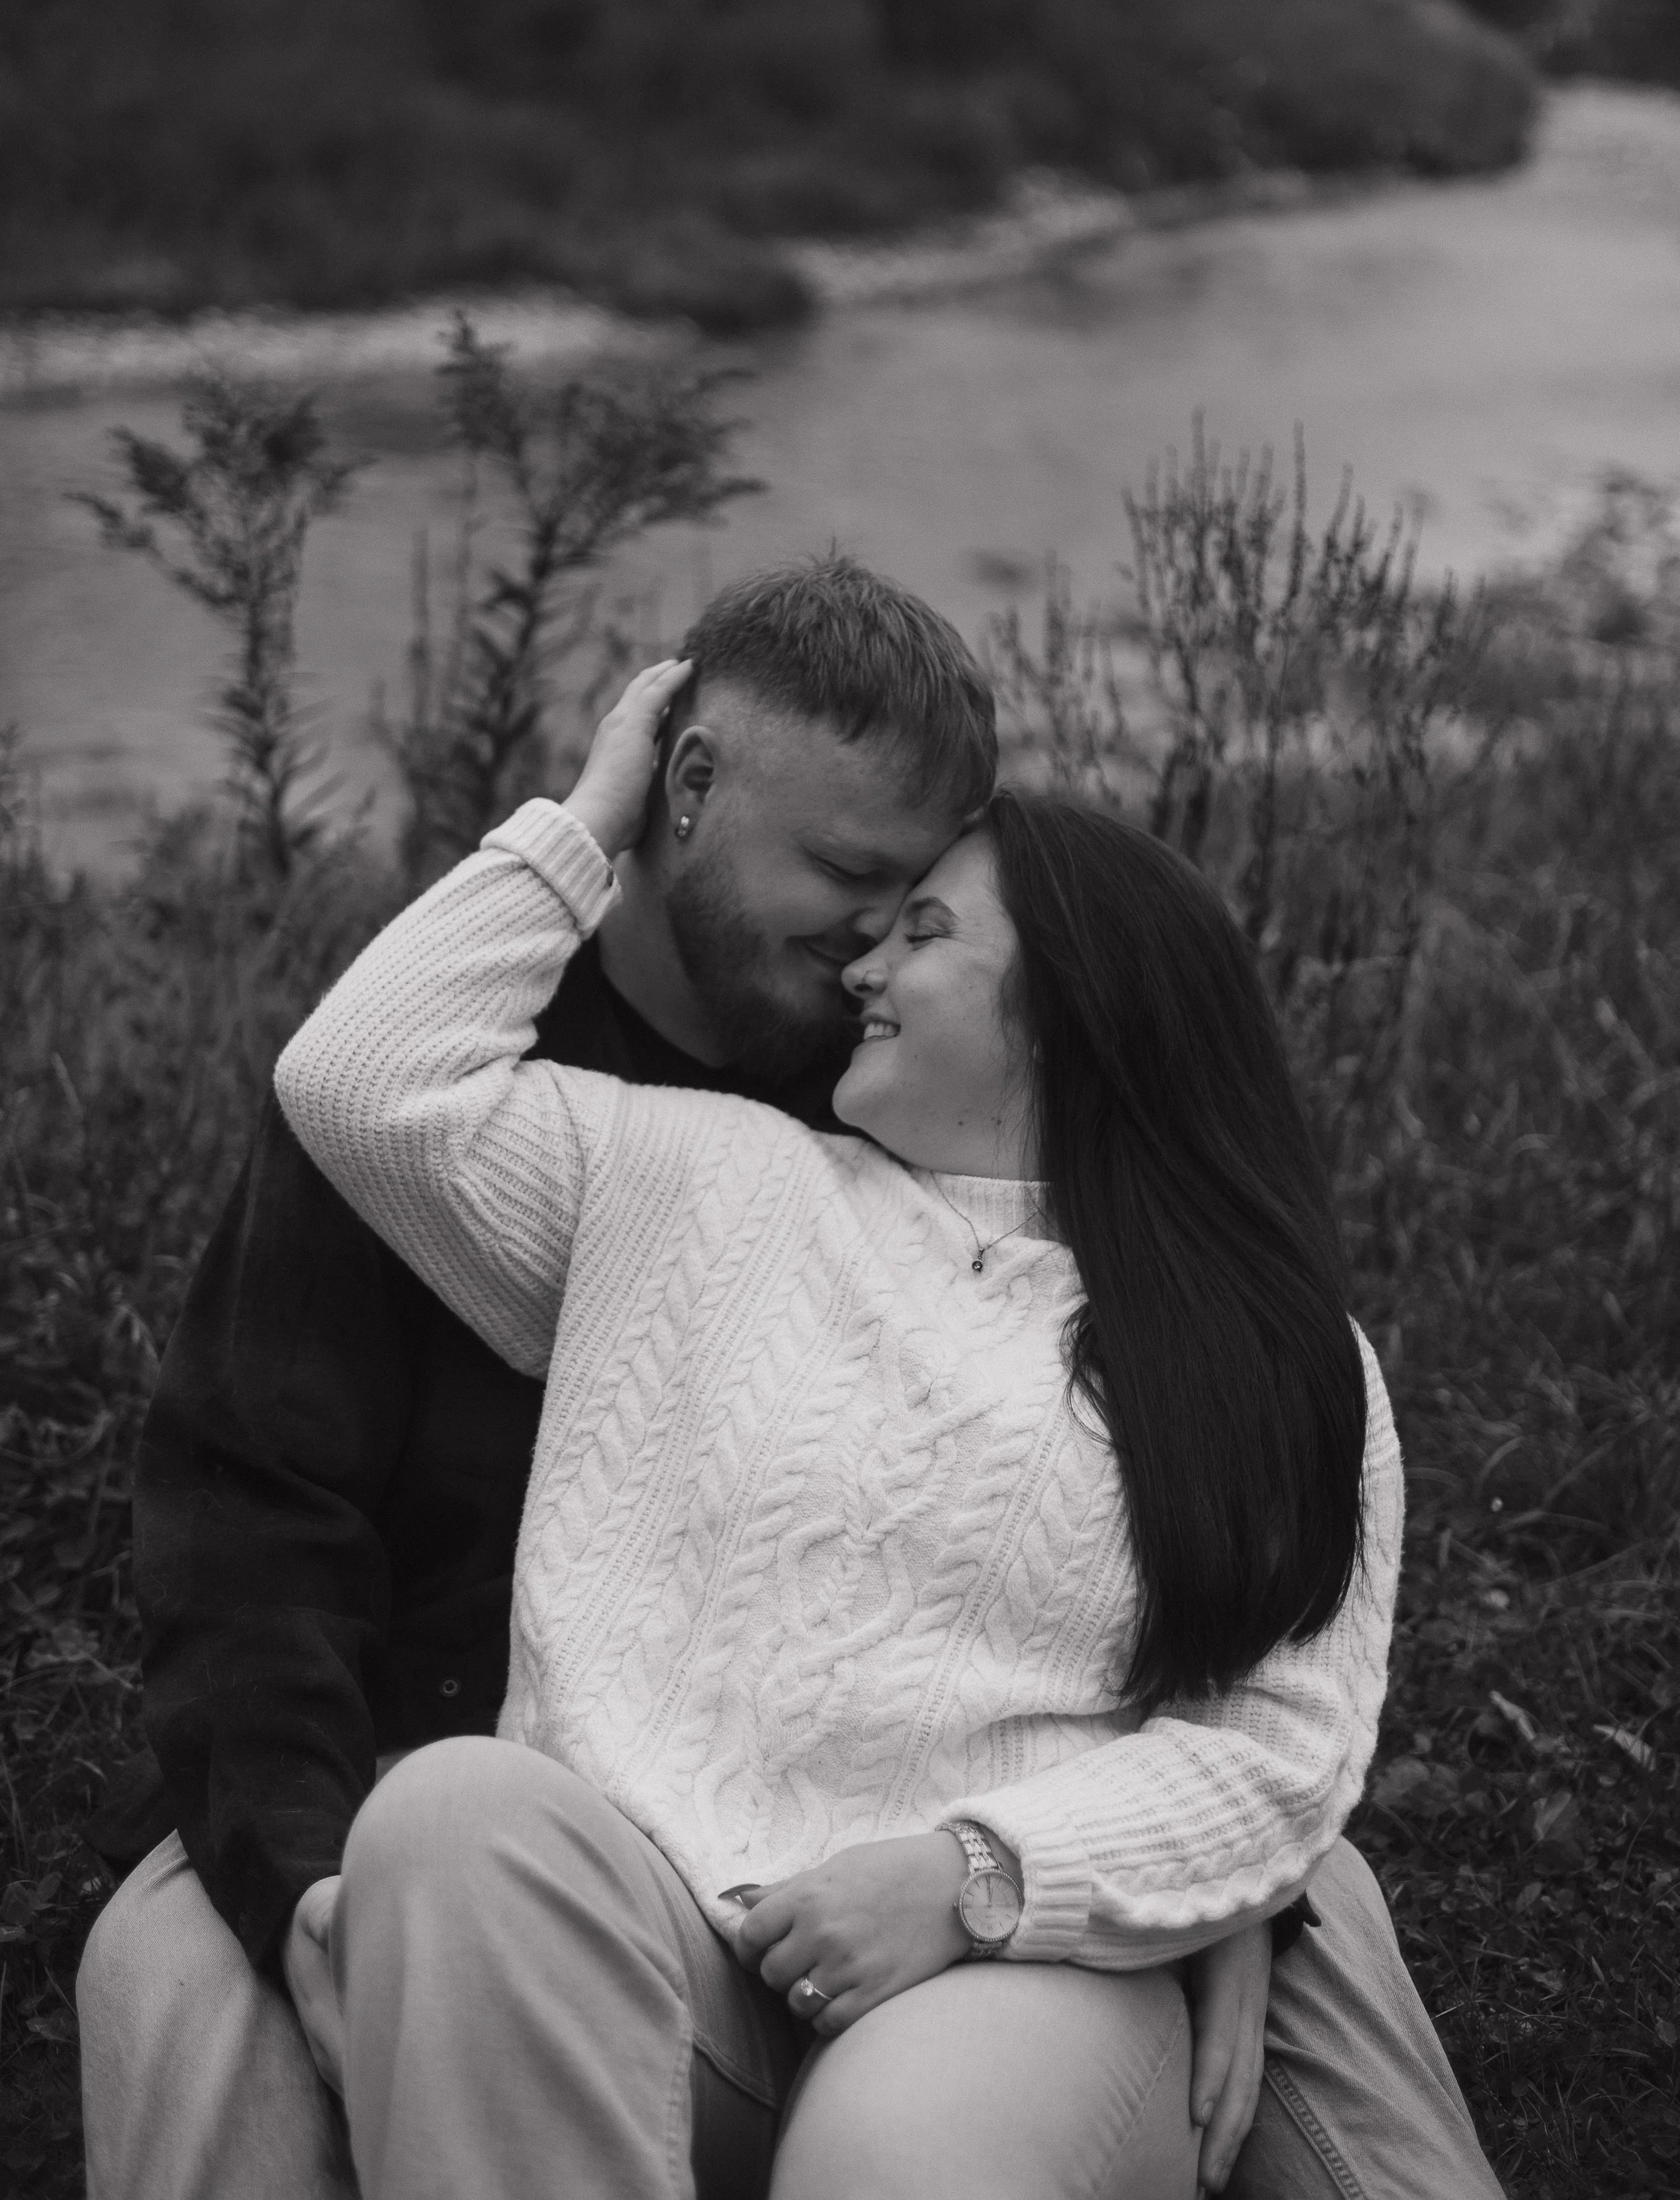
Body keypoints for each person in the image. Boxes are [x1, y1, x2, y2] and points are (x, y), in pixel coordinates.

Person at [77, 560, 1503, 2200]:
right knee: (199, 1970)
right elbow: (251, 1513)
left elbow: (1242, 1690)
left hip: (966, 1855)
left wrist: (1175, 1882)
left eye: (917, 912)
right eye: (848, 884)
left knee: (1308, 1927)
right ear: (684, 793)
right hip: (442, 1780)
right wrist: (307, 1876)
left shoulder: (924, 1129)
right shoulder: (622, 1138)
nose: (863, 959)